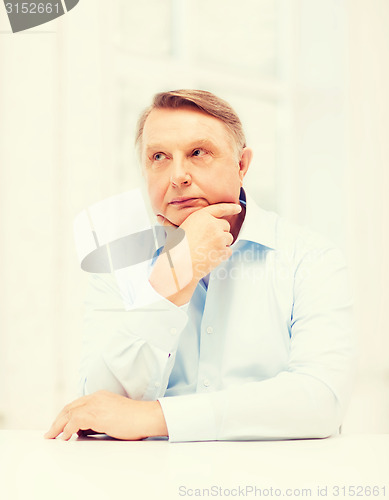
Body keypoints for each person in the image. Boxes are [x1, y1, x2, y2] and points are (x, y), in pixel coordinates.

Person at [45, 89, 355, 442]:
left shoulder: (310, 258)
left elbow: (321, 401)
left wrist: (155, 418)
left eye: (198, 153)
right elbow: (98, 408)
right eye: (159, 156)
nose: (178, 175)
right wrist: (175, 274)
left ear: (242, 165)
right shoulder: (119, 265)